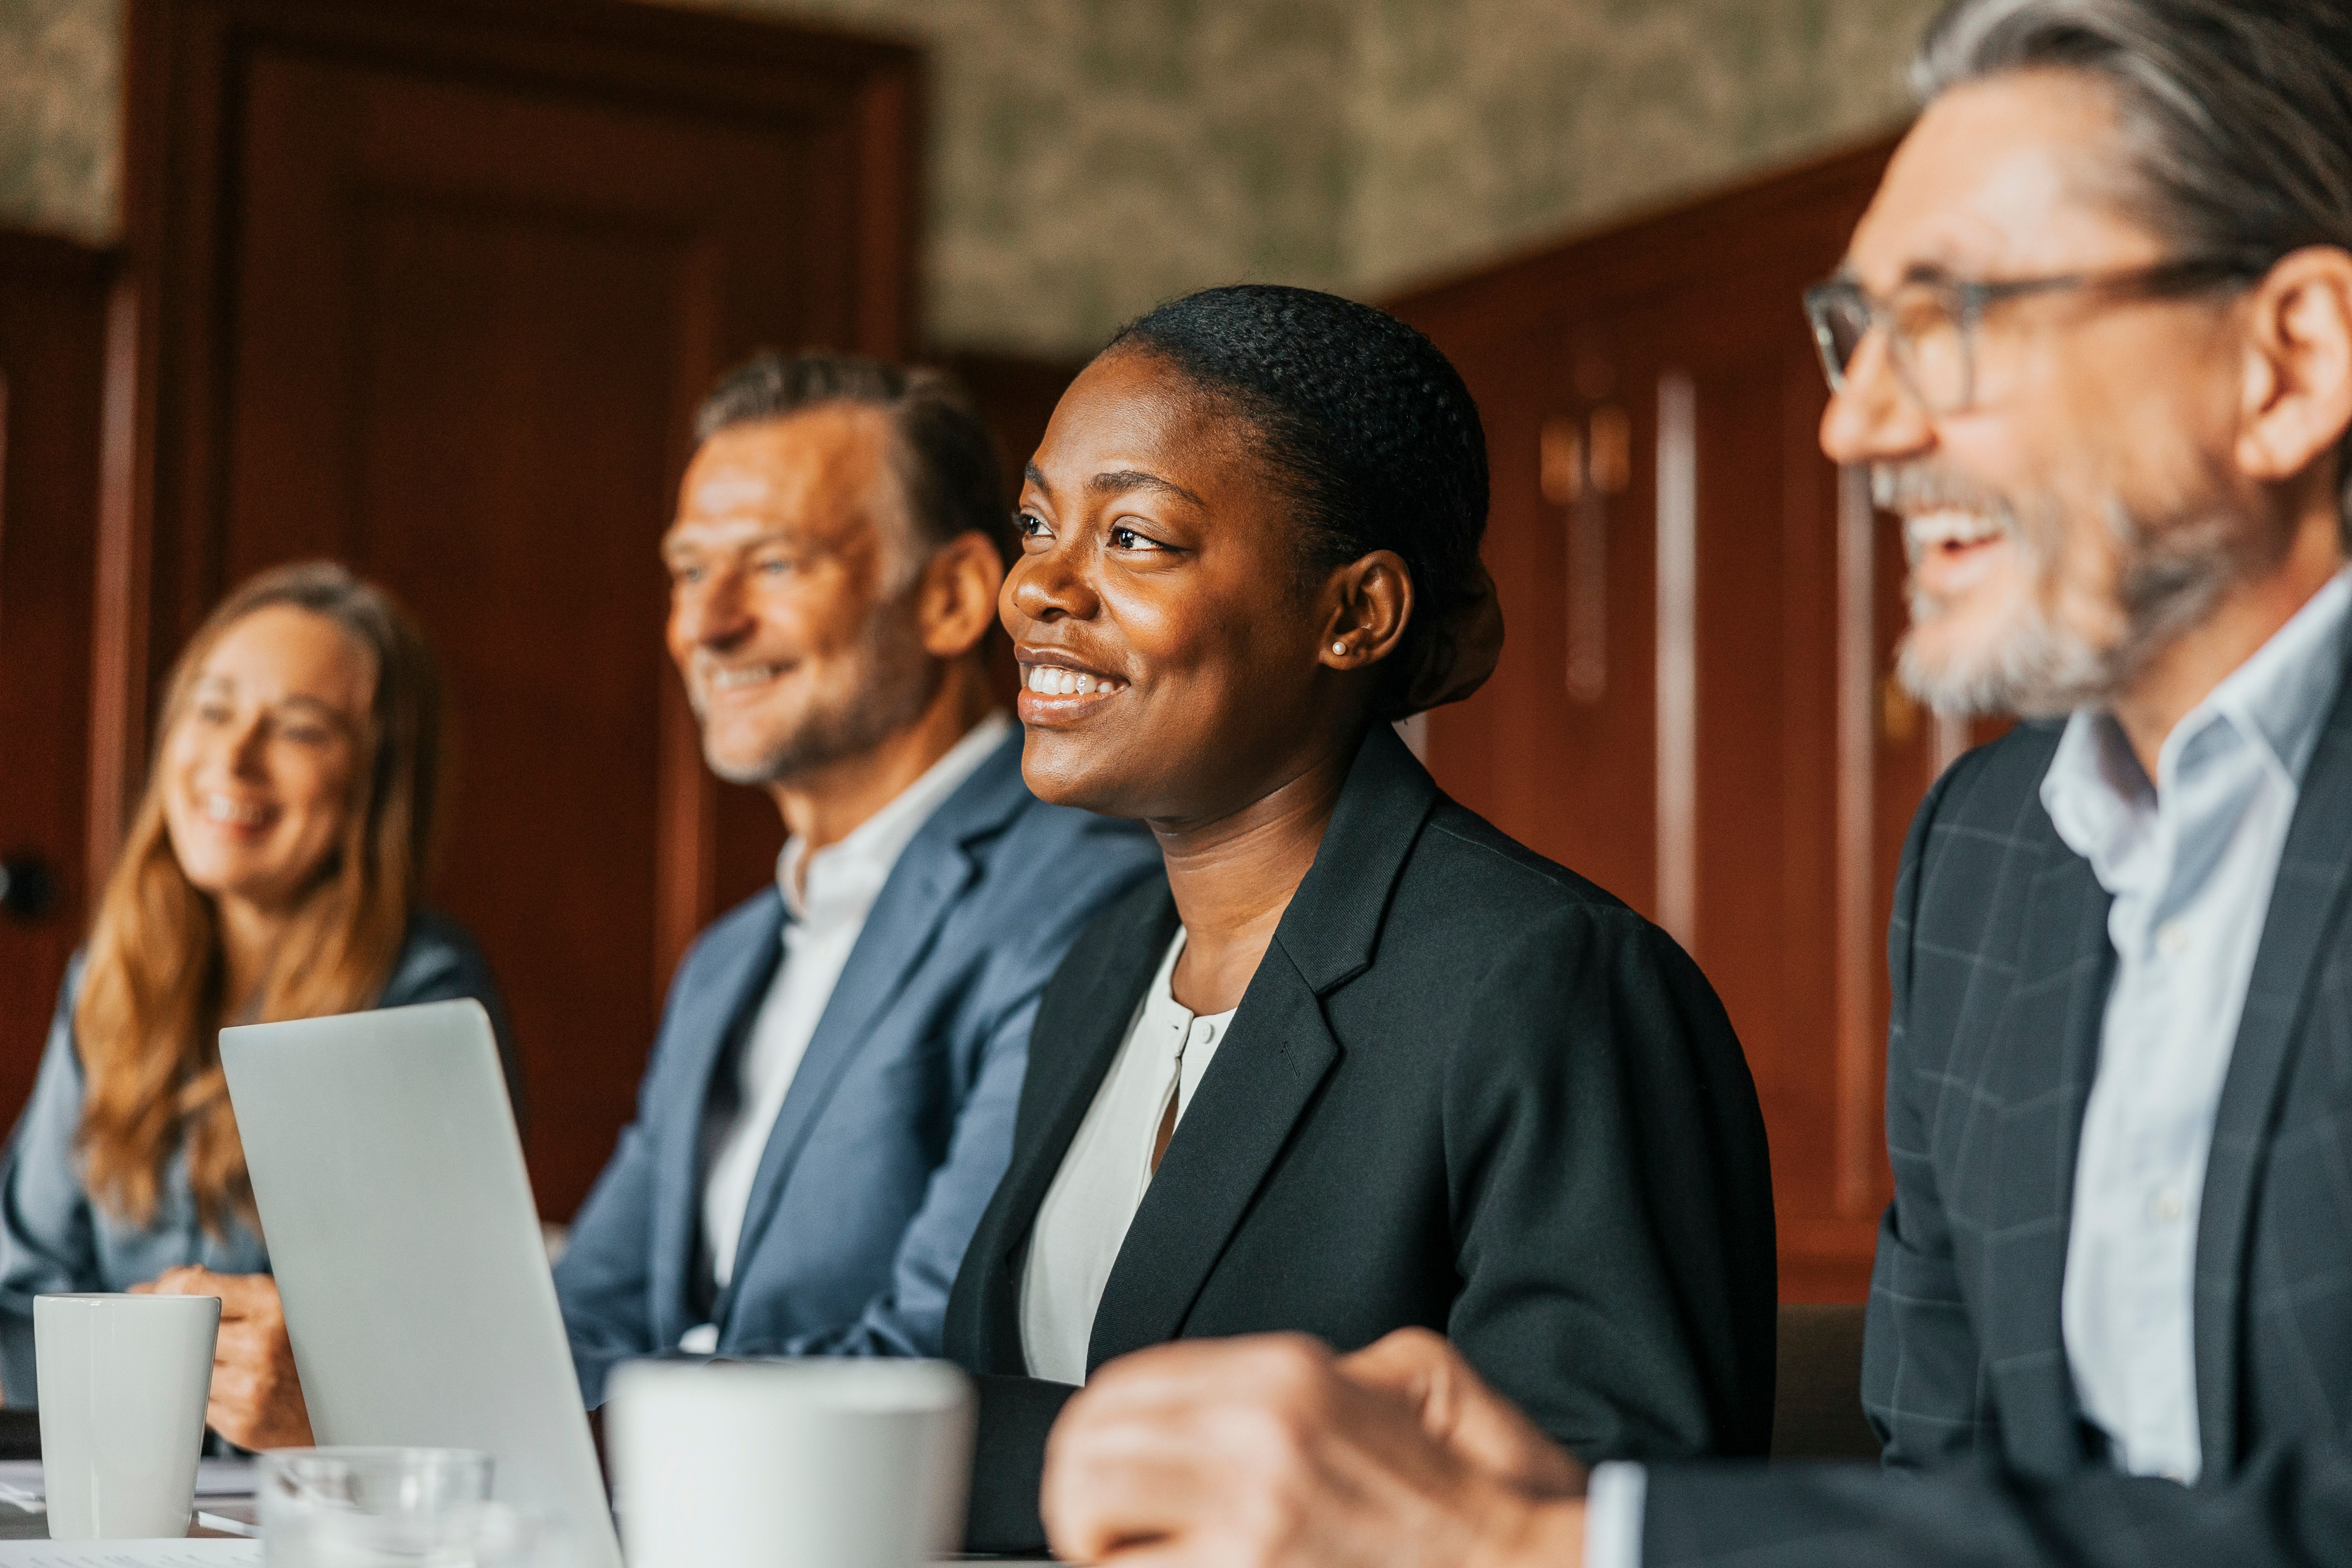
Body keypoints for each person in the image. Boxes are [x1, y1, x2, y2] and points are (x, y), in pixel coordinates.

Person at [1031, 2, 2352, 1566]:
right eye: (1856, 336)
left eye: (1959, 321)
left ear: (2290, 364)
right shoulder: (1991, 854)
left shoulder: (1545, 975)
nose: (1856, 424)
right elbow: (1938, 1483)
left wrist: (1559, 1541)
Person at [942, 284, 1779, 1553]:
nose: (1035, 590)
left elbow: (1603, 1513)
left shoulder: (1553, 985)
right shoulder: (1104, 965)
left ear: (1354, 615)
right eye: (1035, 525)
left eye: (1135, 540)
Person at [547, 352, 1158, 1402]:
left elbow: (936, 1362)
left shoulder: (1085, 898)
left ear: (957, 595)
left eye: (774, 564)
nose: (706, 624)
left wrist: (594, 1400)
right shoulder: (728, 957)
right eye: (691, 572)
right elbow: (581, 1316)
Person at [0, 562, 520, 1442]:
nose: (233, 757)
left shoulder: (423, 994)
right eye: (212, 709)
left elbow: (428, 1363)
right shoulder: (109, 974)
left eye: (299, 729)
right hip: (114, 1483)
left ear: (376, 785)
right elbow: (23, 1288)